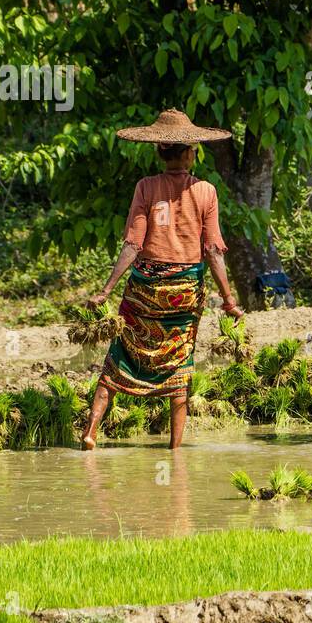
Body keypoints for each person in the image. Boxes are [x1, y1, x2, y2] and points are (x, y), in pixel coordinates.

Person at [81, 110, 244, 450]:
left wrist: (105, 290)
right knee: (180, 364)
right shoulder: (206, 191)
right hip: (184, 294)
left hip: (146, 289)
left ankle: (91, 431)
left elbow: (133, 245)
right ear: (189, 152)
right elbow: (213, 250)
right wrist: (229, 300)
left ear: (160, 152)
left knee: (119, 355)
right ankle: (174, 450)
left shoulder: (146, 187)